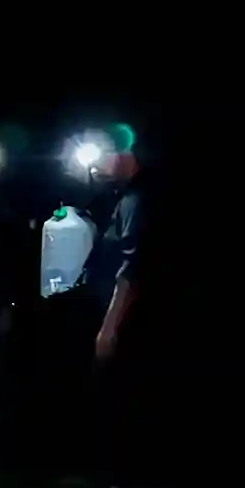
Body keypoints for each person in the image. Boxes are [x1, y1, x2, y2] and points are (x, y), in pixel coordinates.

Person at [86, 147, 144, 364]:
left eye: (105, 154)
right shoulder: (120, 198)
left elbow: (132, 267)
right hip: (109, 311)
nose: (96, 162)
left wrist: (109, 327)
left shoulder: (134, 201)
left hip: (123, 322)